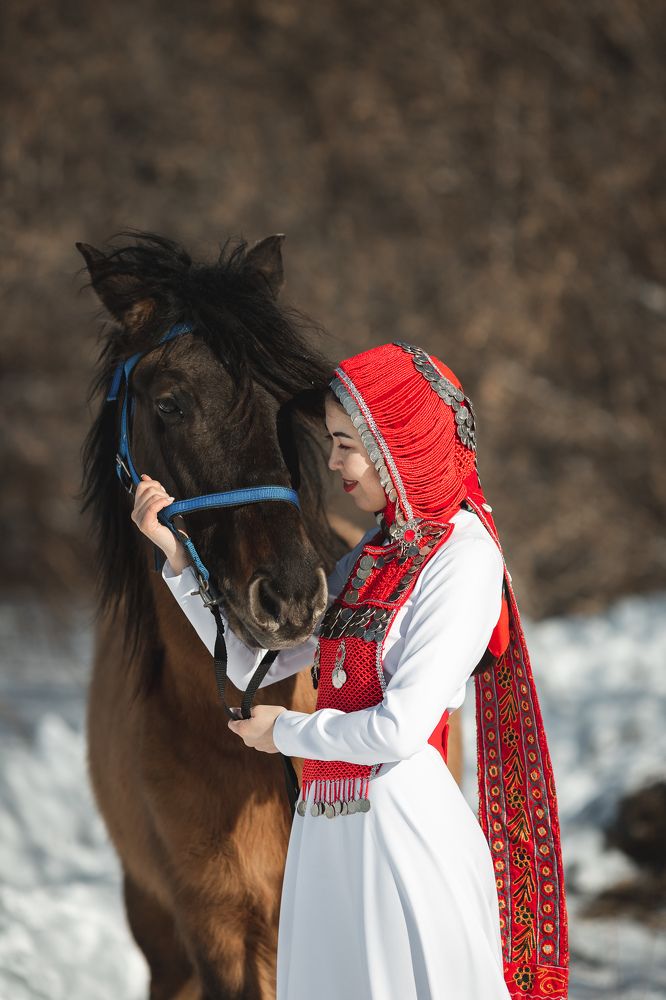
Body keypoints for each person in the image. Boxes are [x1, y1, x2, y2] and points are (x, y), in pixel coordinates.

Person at [132, 341, 568, 1000]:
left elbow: (398, 730)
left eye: (345, 444)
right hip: (327, 833)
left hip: (404, 835)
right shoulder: (374, 553)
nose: (332, 462)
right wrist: (175, 556)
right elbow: (257, 659)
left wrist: (287, 733)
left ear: (399, 442)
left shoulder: (463, 558)